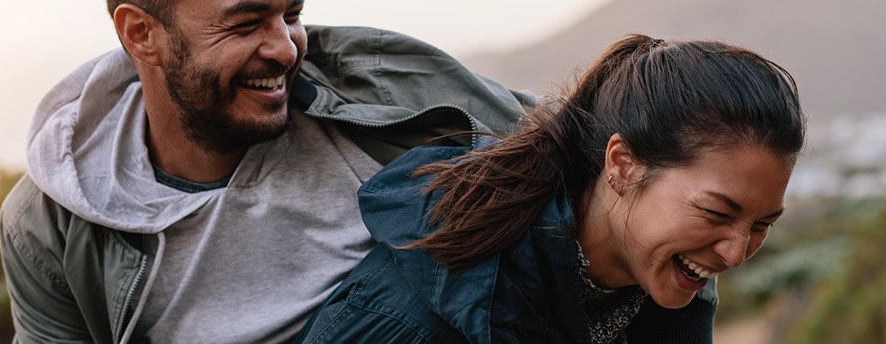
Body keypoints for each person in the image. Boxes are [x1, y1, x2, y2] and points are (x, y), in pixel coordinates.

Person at [0, 0, 718, 343]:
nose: (284, 49)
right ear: (140, 35)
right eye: (246, 23)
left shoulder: (389, 90)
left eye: (293, 13)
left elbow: (602, 174)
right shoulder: (56, 221)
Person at [294, 34, 806, 343]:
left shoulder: (657, 283)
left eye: (762, 225)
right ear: (622, 165)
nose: (737, 253)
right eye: (717, 213)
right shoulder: (413, 323)